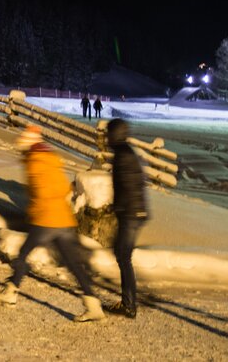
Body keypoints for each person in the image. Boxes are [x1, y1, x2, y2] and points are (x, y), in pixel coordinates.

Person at [0, 125, 105, 322]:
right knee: (73, 263)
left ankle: (10, 291)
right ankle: (93, 305)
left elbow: (41, 192)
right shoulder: (51, 158)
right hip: (63, 219)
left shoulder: (35, 162)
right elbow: (62, 187)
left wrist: (36, 205)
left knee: (23, 255)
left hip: (45, 219)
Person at [105, 119, 149, 319]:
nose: (106, 137)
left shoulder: (122, 155)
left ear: (115, 134)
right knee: (122, 255)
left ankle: (129, 305)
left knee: (123, 256)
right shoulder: (125, 152)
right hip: (133, 212)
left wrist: (119, 207)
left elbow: (128, 185)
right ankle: (128, 302)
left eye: (109, 133)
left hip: (131, 213)